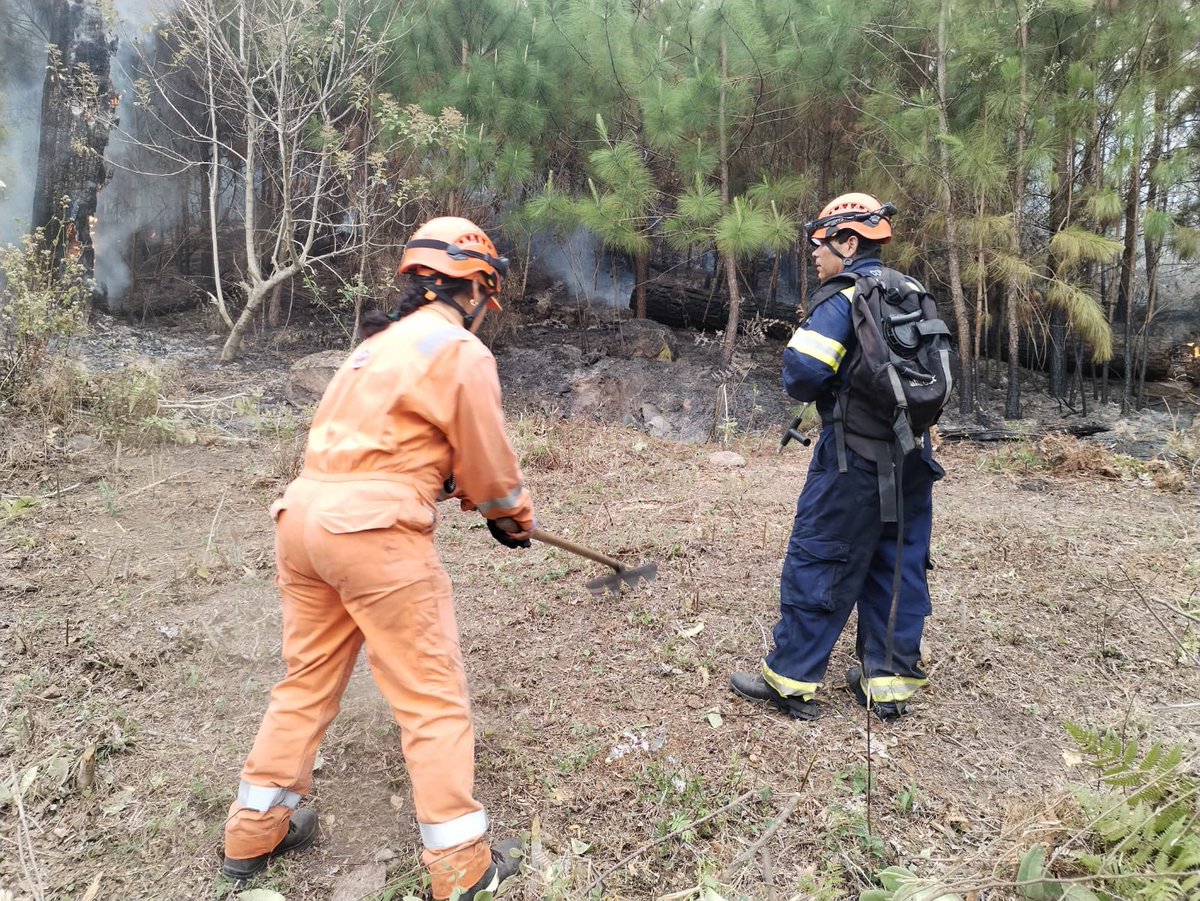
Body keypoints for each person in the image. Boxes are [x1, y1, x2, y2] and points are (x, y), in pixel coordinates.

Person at [220, 216, 534, 900]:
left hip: (302, 519)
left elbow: (368, 445)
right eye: (486, 294)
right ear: (473, 286)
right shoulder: (459, 349)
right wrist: (510, 515)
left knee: (305, 680)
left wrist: (436, 478)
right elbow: (488, 460)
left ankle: (254, 829)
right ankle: (462, 867)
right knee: (430, 696)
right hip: (372, 534)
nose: (485, 307)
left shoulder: (373, 348)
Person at [729, 193, 944, 721]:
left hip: (853, 461)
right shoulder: (910, 291)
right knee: (897, 564)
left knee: (820, 557)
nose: (814, 254)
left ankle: (790, 680)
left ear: (849, 243)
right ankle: (887, 685)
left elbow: (802, 374)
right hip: (913, 457)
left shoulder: (842, 297)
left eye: (821, 244)